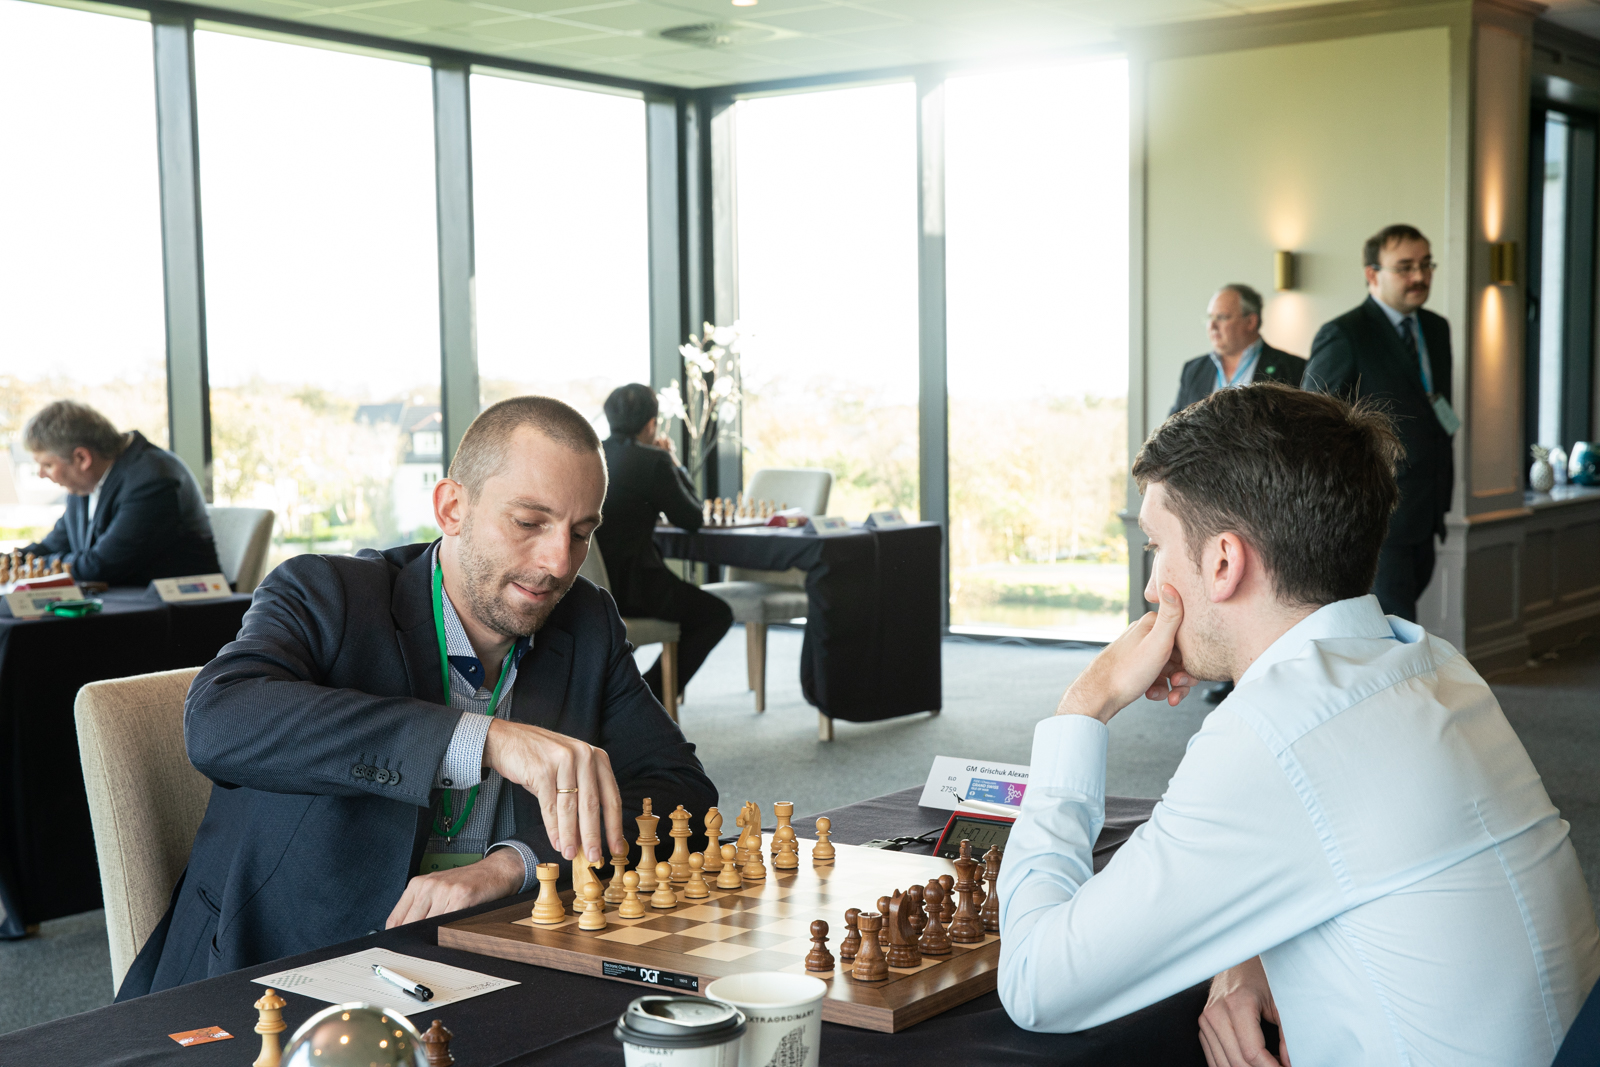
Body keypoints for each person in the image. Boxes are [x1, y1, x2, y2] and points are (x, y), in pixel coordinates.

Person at [997, 384, 1600, 1067]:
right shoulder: (1433, 664)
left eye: (1156, 546)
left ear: (1223, 562)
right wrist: (1246, 954)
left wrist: (1083, 707)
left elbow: (1037, 982)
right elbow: (1333, 842)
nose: (1149, 586)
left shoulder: (1271, 734)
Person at [117, 396, 717, 998]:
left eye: (581, 533)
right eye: (529, 523)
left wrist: (513, 864)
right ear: (452, 508)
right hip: (282, 970)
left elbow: (679, 788)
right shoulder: (326, 594)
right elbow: (219, 721)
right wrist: (484, 740)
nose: (559, 562)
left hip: (486, 964)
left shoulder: (587, 622)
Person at [1305, 224, 1455, 622]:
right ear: (1372, 274)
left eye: (1426, 264)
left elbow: (1436, 412)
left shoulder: (1436, 329)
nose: (1420, 276)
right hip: (1376, 517)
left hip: (1428, 510)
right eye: (1405, 267)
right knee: (1392, 631)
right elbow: (1312, 428)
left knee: (1400, 624)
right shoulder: (1344, 334)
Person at [595, 384, 732, 704]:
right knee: (716, 615)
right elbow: (692, 517)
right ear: (650, 425)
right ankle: (649, 696)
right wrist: (672, 460)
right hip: (635, 589)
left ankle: (632, 693)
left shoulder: (590, 453)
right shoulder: (653, 460)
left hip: (590, 590)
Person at [20, 399, 220, 586]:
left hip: (173, 606)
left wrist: (36, 566)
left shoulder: (152, 479)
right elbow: (52, 546)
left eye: (47, 465)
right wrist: (14, 561)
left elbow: (99, 566)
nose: (41, 474)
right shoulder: (84, 485)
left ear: (82, 458)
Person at [1169, 284, 1306, 415]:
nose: (1212, 326)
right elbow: (1174, 426)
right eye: (1210, 317)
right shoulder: (1193, 370)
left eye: (1221, 317)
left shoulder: (1294, 368)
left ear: (1251, 322)